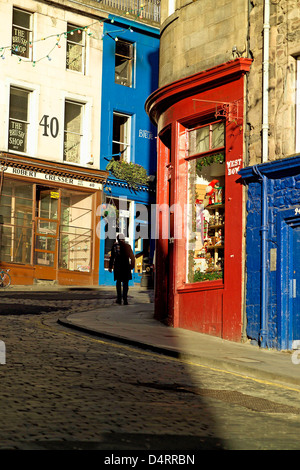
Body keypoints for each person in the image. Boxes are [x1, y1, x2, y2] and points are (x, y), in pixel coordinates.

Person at [109, 233, 135, 305]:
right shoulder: (128, 246)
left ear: (117, 239)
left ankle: (119, 299)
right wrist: (132, 266)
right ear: (124, 239)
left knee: (118, 283)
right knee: (126, 283)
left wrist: (110, 267)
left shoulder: (115, 246)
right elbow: (132, 257)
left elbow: (112, 257)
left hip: (118, 267)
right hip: (126, 267)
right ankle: (125, 299)